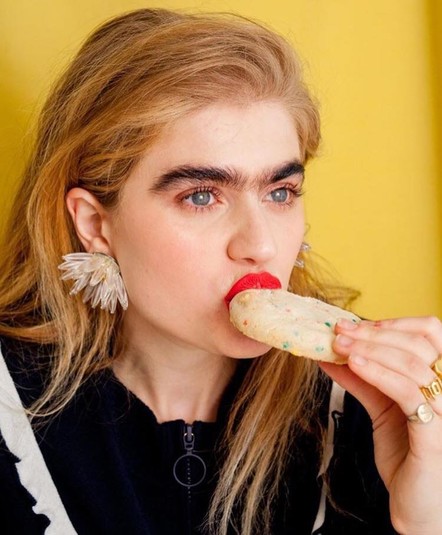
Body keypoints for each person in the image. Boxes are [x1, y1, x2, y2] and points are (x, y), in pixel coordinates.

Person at [0, 8, 441, 535]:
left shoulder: (384, 412)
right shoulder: (7, 407)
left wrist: (425, 519)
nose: (261, 245)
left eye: (280, 192)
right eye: (201, 196)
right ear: (96, 224)